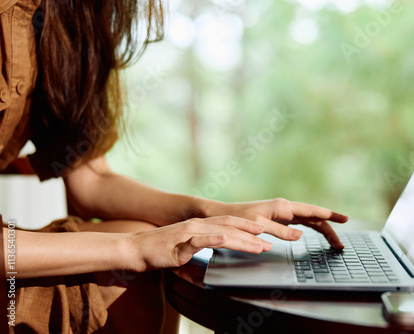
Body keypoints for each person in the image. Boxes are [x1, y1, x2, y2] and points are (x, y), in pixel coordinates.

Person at [0, 0, 348, 332]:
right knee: (133, 255)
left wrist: (211, 213)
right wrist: (136, 248)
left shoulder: (71, 19)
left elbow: (91, 180)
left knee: (150, 253)